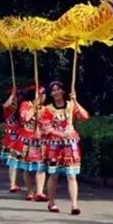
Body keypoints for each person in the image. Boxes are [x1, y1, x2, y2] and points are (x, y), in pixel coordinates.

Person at [40, 81, 90, 214]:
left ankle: (74, 205)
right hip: (55, 145)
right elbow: (46, 129)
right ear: (51, 94)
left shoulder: (71, 106)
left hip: (70, 144)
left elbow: (85, 116)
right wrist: (62, 134)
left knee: (71, 175)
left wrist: (75, 101)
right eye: (53, 90)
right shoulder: (47, 109)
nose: (56, 92)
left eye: (58, 89)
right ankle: (51, 202)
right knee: (54, 174)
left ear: (63, 91)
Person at [17, 85, 48, 202]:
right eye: (42, 94)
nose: (44, 97)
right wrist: (34, 106)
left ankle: (39, 192)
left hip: (41, 141)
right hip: (28, 140)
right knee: (27, 168)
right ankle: (30, 191)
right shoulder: (26, 105)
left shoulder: (45, 108)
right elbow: (25, 118)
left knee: (41, 166)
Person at [1, 86, 22, 193]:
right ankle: (12, 184)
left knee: (17, 162)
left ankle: (15, 183)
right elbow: (5, 105)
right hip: (10, 139)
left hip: (20, 138)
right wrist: (12, 95)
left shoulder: (21, 109)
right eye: (14, 98)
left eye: (16, 97)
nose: (15, 100)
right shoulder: (8, 110)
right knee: (13, 162)